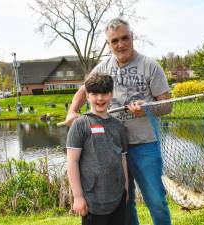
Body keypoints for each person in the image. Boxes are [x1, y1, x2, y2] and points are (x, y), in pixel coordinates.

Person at [65, 18, 172, 225]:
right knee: (126, 201)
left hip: (145, 145)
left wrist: (147, 109)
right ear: (108, 44)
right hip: (111, 146)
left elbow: (168, 105)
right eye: (114, 41)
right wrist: (72, 111)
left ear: (132, 38)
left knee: (156, 200)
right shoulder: (102, 68)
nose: (120, 44)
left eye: (125, 38)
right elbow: (84, 90)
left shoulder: (150, 66)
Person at [66, 74, 128, 225]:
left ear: (111, 94)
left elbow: (123, 159)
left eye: (105, 93)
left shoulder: (119, 126)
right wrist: (78, 197)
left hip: (117, 198)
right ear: (87, 96)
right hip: (92, 202)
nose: (100, 98)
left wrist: (125, 189)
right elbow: (72, 162)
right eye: (94, 94)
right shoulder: (80, 124)